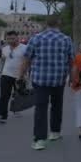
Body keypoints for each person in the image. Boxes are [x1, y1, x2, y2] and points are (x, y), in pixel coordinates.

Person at [20, 16, 73, 151]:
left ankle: (39, 140)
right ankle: (55, 132)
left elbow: (27, 59)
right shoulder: (66, 39)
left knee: (41, 108)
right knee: (57, 105)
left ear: (45, 24)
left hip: (40, 79)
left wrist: (21, 75)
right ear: (59, 23)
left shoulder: (36, 38)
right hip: (59, 79)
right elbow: (71, 60)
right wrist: (72, 78)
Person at [0, 31, 27, 123]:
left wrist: (23, 75)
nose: (10, 40)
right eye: (8, 39)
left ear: (17, 38)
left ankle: (17, 109)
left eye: (13, 38)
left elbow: (27, 62)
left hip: (19, 76)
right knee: (4, 96)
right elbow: (4, 59)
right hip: (6, 75)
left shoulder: (25, 48)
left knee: (18, 95)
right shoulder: (5, 48)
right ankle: (2, 115)